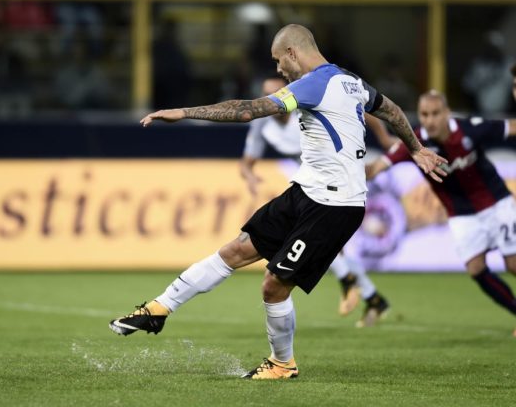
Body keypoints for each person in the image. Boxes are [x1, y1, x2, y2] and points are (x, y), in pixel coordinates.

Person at [109, 24, 446, 380]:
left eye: (278, 60)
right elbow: (391, 110)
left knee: (273, 285)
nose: (278, 69)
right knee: (236, 250)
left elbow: (248, 111)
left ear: (292, 53)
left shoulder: (312, 84)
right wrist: (415, 148)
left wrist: (184, 112)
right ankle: (159, 308)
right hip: (306, 191)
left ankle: (282, 363)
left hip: (335, 205)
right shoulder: (351, 81)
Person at [241, 76, 393, 327]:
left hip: (348, 169)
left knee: (322, 239)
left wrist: (384, 138)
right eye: (268, 94)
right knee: (326, 242)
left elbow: (361, 108)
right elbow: (247, 163)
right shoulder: (262, 123)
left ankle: (354, 284)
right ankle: (370, 297)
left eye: (277, 92)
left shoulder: (304, 102)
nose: (273, 99)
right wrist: (250, 177)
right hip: (316, 180)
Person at [367, 89, 516, 337]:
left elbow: (510, 127)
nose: (430, 120)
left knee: (512, 264)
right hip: (461, 215)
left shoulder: (469, 129)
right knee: (475, 269)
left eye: (436, 113)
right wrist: (349, 169)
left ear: (447, 113)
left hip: (496, 203)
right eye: (424, 114)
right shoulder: (414, 143)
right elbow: (375, 168)